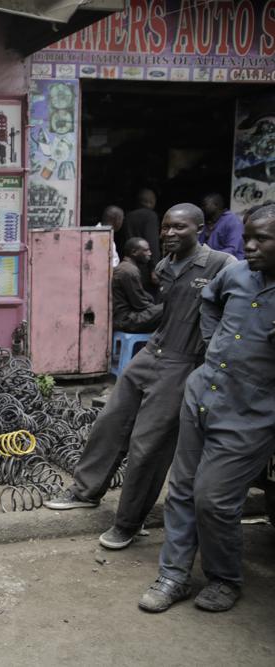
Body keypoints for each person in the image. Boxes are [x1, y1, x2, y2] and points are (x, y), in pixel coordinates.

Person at [46, 204, 235, 551]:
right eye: (165, 227)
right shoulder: (164, 266)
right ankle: (86, 491)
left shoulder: (222, 265)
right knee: (110, 421)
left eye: (180, 227)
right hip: (152, 352)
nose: (170, 234)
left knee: (149, 444)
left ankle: (128, 523)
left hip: (184, 362)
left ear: (198, 229)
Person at [139, 204, 275, 613]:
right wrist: (213, 343)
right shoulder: (234, 275)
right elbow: (209, 303)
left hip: (252, 411)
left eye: (261, 239)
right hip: (202, 395)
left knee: (213, 498)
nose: (248, 246)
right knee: (181, 489)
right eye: (247, 236)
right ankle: (174, 576)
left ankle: (224, 578)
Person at [113, 237, 163, 334]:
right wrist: (156, 309)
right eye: (146, 250)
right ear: (134, 252)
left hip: (124, 318)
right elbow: (140, 304)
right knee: (169, 307)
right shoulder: (129, 271)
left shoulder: (125, 268)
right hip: (126, 320)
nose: (150, 253)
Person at [199, 193, 244, 260]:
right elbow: (200, 245)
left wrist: (207, 256)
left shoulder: (233, 221)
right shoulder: (207, 222)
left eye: (204, 205)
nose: (202, 208)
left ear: (216, 205)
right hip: (212, 262)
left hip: (231, 264)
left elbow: (232, 249)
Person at [122, 188, 160, 265]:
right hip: (144, 262)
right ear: (151, 201)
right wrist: (155, 266)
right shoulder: (150, 216)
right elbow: (153, 242)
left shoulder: (128, 216)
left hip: (130, 261)